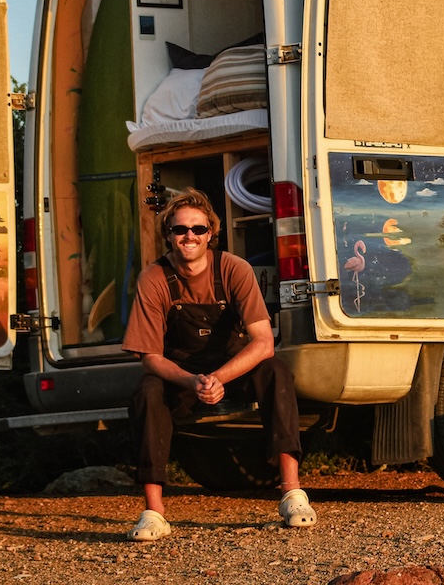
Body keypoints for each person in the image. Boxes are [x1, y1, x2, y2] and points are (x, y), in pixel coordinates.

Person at [122, 187, 315, 541]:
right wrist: (193, 381)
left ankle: (292, 494)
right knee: (146, 392)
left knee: (277, 372)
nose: (189, 236)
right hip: (181, 371)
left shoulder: (234, 269)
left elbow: (263, 342)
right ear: (168, 235)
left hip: (231, 364)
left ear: (211, 233)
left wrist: (219, 377)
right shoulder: (153, 277)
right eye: (180, 230)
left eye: (198, 229)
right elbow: (150, 357)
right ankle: (153, 512)